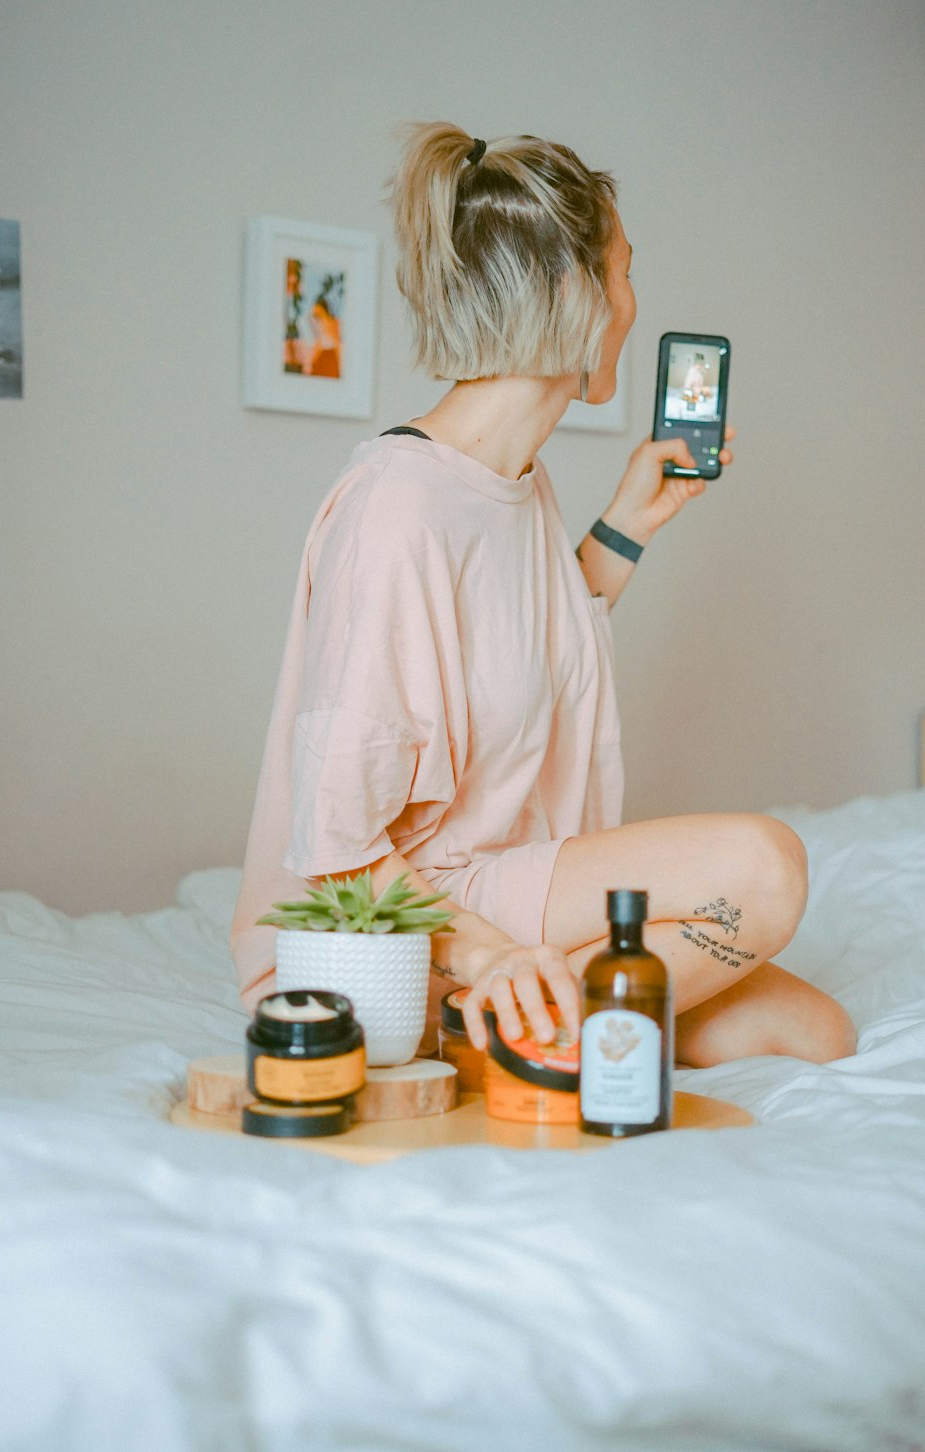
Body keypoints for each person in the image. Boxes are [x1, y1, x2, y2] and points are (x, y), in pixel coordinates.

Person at [230, 123, 856, 1067]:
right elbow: (341, 854)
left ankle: (531, 1035)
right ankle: (501, 1032)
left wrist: (627, 526)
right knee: (767, 868)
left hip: (504, 896)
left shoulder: (515, 479)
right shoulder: (396, 508)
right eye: (625, 271)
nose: (634, 303)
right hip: (401, 925)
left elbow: (528, 649)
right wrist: (489, 957)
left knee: (815, 1030)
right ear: (572, 292)